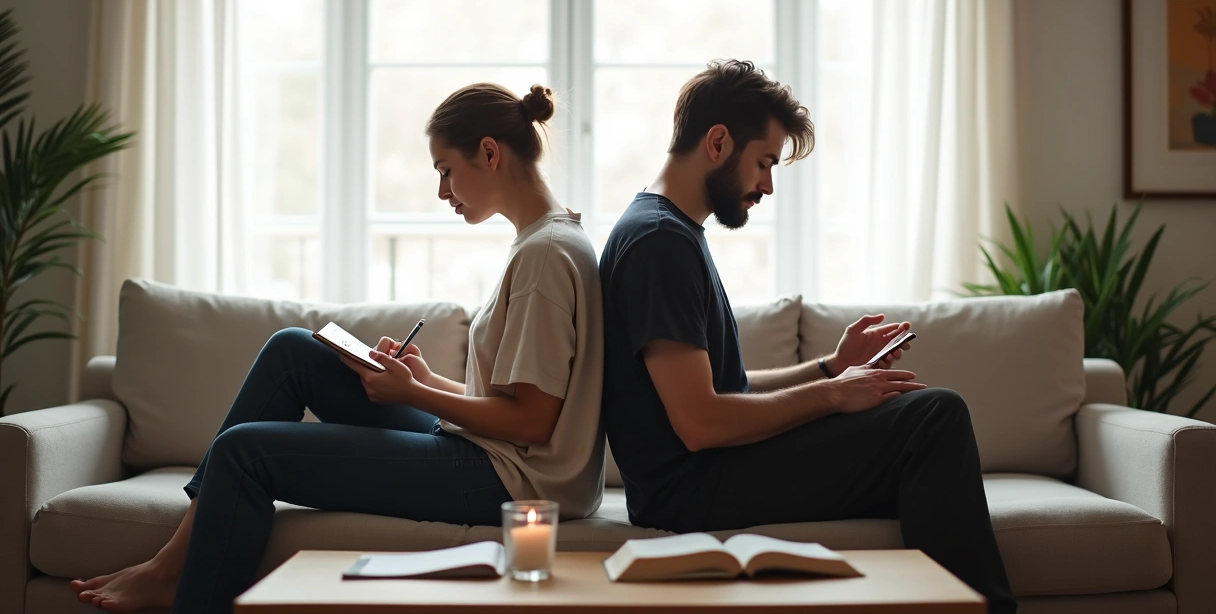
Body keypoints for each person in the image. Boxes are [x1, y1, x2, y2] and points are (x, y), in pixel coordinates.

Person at [71, 83, 605, 613]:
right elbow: (512, 401)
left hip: (508, 484)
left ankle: (175, 574)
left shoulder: (543, 257)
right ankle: (173, 563)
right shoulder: (546, 241)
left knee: (244, 452)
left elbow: (533, 422)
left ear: (489, 153)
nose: (443, 191)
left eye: (444, 169)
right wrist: (420, 382)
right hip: (497, 458)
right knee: (294, 349)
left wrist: (415, 396)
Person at [598, 60, 1016, 614]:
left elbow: (728, 389)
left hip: (707, 473)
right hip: (691, 490)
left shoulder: (670, 231)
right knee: (932, 419)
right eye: (765, 163)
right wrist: (832, 397)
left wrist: (830, 368)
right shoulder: (658, 243)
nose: (767, 185)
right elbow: (699, 423)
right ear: (718, 142)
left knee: (918, 432)